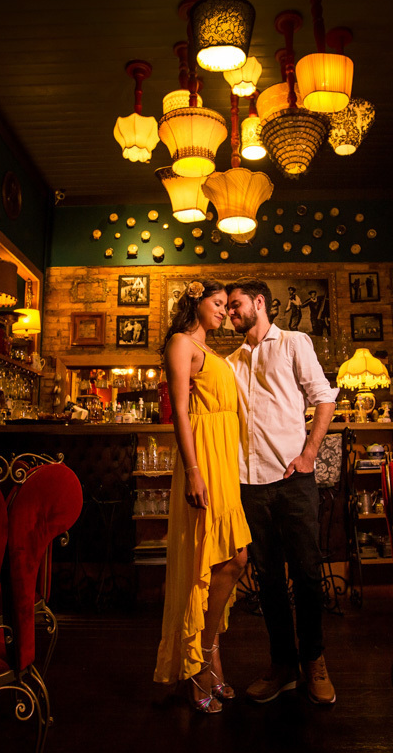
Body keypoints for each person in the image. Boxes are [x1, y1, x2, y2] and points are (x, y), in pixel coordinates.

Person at [225, 278, 339, 705]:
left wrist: (310, 453)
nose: (230, 313)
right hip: (249, 484)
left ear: (259, 302)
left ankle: (314, 660)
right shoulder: (230, 361)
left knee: (307, 573)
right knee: (268, 579)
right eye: (227, 307)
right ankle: (283, 664)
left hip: (293, 480)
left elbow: (324, 399)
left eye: (236, 304)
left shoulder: (294, 342)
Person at [153, 279, 251, 714]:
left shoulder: (212, 352)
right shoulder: (181, 343)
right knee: (213, 561)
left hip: (224, 462)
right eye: (218, 303)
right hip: (203, 460)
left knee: (233, 559)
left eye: (228, 306)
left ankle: (208, 656)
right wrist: (193, 471)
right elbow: (179, 409)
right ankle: (200, 666)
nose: (224, 311)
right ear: (196, 302)